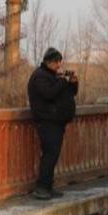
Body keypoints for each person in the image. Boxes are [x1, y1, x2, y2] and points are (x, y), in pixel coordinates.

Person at [27, 47, 79, 200]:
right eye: (57, 62)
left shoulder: (52, 76)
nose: (59, 65)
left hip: (56, 122)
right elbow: (49, 94)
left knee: (53, 155)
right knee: (49, 155)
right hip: (47, 121)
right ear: (49, 61)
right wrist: (63, 80)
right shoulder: (39, 77)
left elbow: (69, 93)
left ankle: (48, 187)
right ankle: (42, 188)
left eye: (60, 62)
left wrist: (73, 83)